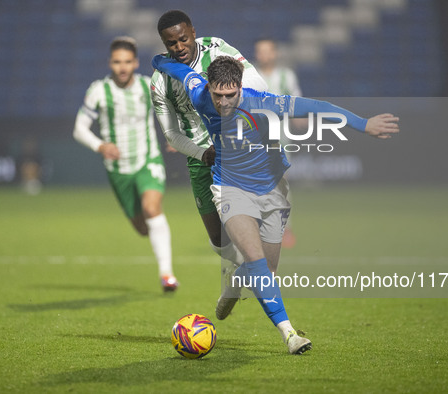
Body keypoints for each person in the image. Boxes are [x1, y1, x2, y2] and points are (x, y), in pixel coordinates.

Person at [152, 54, 400, 354]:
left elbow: (317, 107)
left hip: (272, 189)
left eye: (231, 95)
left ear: (240, 87)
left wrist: (363, 124)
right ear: (209, 87)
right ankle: (290, 335)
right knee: (255, 260)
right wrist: (157, 59)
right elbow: (176, 68)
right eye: (218, 95)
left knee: (266, 270)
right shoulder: (198, 91)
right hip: (229, 187)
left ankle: (235, 282)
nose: (224, 102)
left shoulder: (263, 103)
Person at [151, 10, 268, 269]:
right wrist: (202, 154)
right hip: (200, 157)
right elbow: (171, 134)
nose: (179, 47)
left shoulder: (216, 50)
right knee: (218, 241)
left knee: (245, 221)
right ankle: (241, 269)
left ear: (193, 32)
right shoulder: (160, 81)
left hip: (235, 146)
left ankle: (258, 269)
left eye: (184, 39)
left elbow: (259, 85)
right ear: (164, 43)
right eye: (171, 43)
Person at [73, 37, 177, 292]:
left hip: (147, 160)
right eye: (117, 62)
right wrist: (101, 146)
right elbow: (79, 129)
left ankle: (167, 275)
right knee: (143, 228)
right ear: (110, 63)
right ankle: (161, 257)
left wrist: (175, 135)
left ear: (135, 63)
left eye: (127, 62)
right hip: (119, 170)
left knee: (152, 209)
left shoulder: (146, 86)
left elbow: (172, 110)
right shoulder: (99, 90)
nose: (122, 67)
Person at [254, 38, 304, 248]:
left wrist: (300, 115)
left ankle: (285, 229)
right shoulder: (250, 76)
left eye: (268, 51)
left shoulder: (286, 76)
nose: (264, 55)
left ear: (275, 53)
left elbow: (295, 100)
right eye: (261, 51)